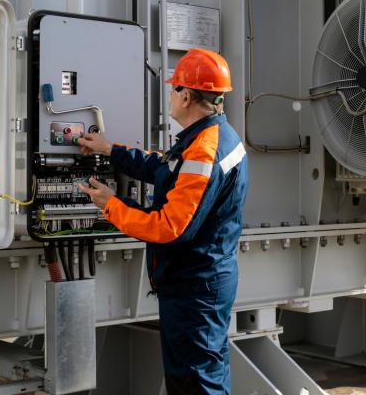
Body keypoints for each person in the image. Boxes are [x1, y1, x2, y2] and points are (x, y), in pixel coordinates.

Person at [77, 48, 247, 395]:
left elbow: (170, 227)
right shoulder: (207, 138)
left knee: (196, 383)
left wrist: (111, 205)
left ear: (187, 96)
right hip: (199, 281)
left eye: (174, 88)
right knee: (194, 377)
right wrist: (110, 150)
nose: (170, 94)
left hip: (195, 287)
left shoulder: (204, 150)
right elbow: (162, 168)